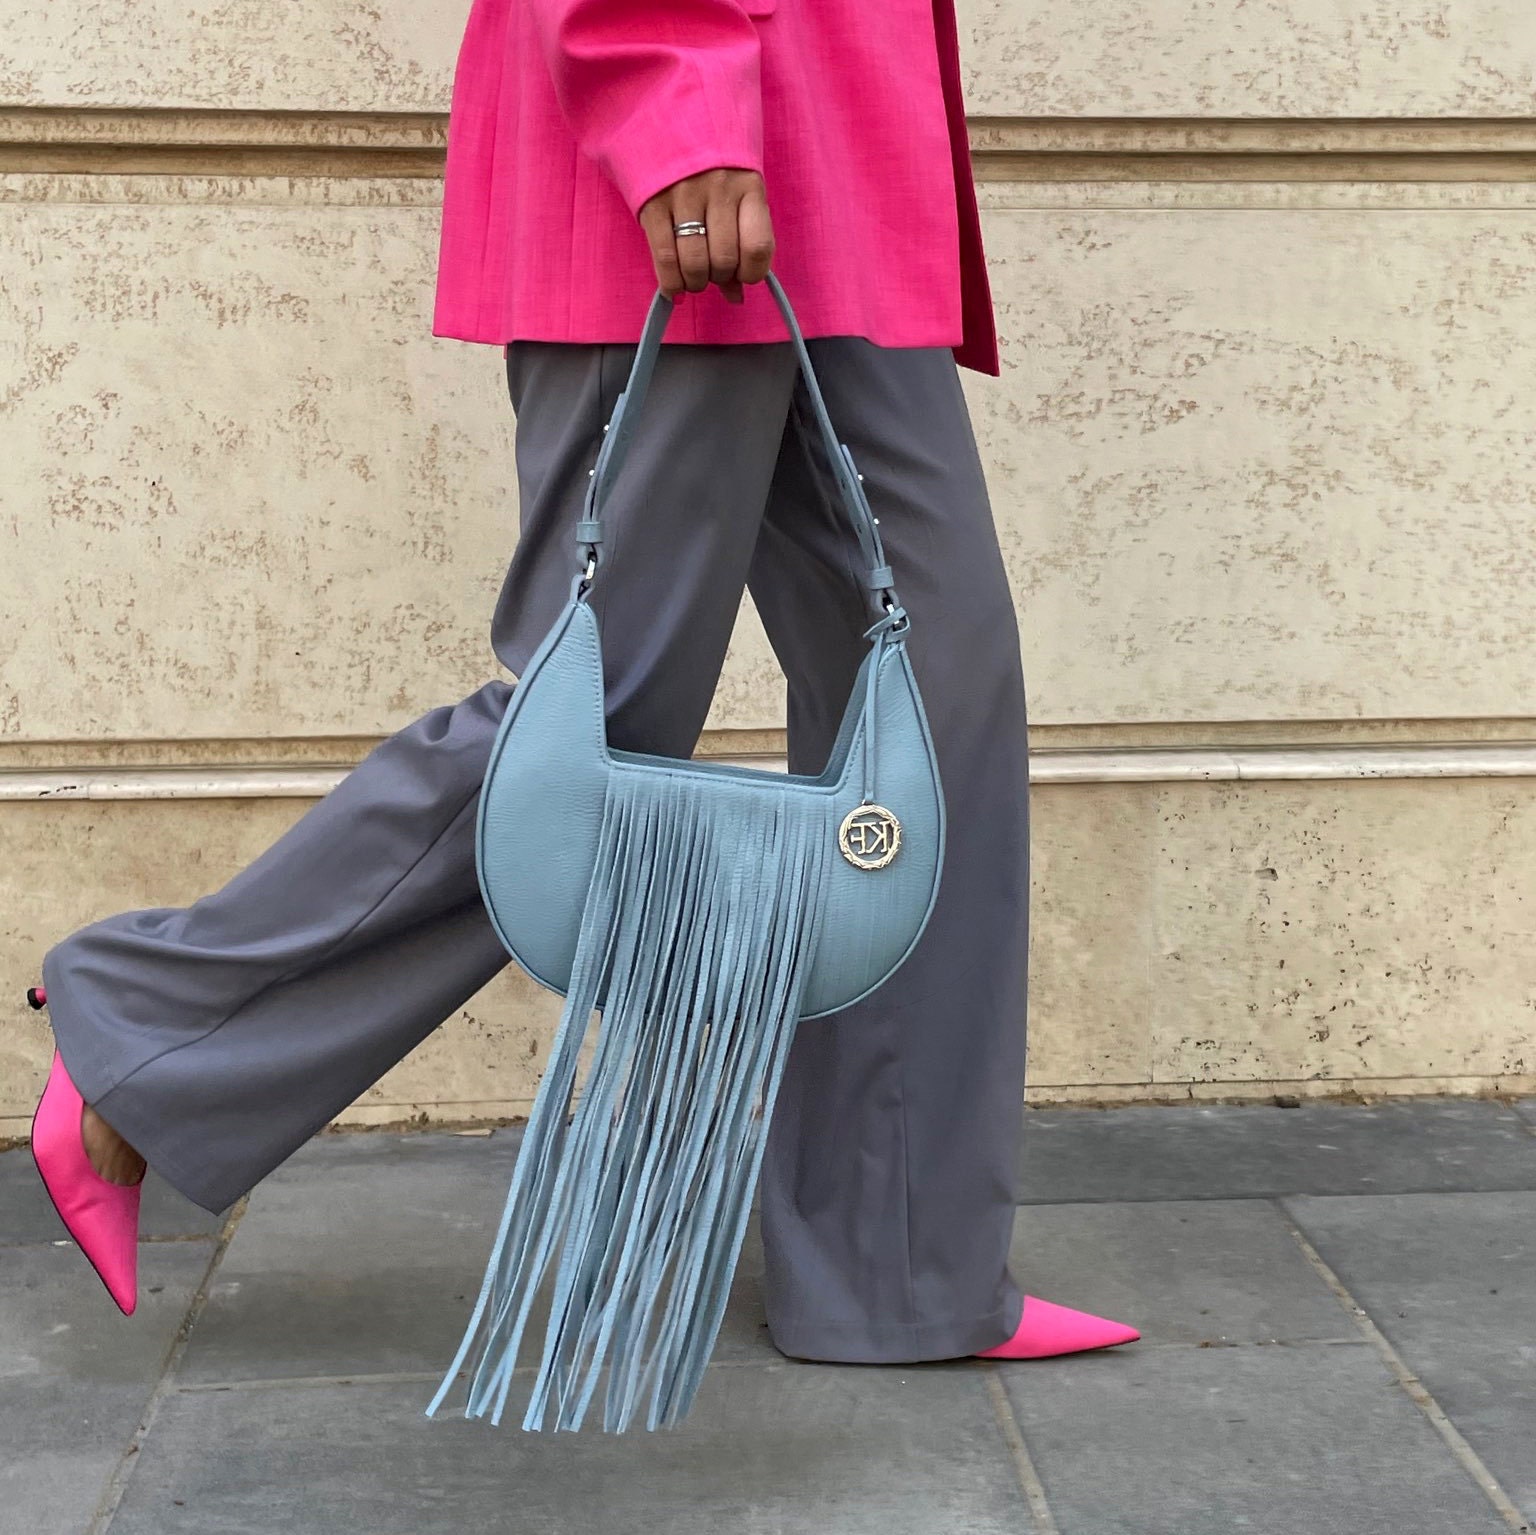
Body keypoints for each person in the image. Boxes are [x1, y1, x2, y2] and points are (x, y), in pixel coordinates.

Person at [27, 0, 1139, 1366]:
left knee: (935, 703)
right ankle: (148, 1035)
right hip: (694, 158)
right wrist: (676, 104)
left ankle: (898, 1267)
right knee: (593, 730)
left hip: (844, 151)